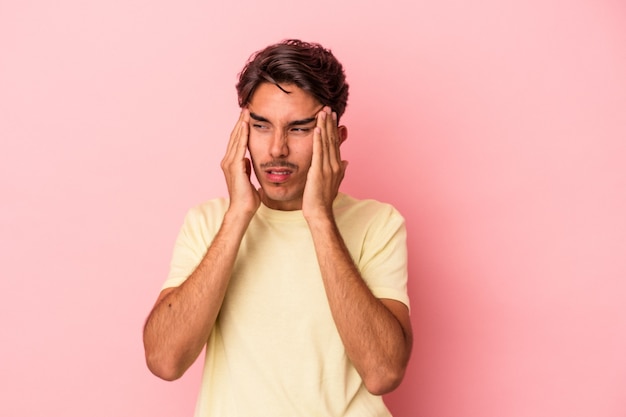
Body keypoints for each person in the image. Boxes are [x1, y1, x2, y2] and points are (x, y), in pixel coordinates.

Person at [143, 39, 413, 416]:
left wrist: (318, 216)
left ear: (335, 138)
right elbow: (164, 361)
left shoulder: (378, 224)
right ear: (242, 131)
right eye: (261, 126)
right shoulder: (207, 223)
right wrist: (239, 214)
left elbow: (383, 372)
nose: (276, 150)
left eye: (299, 129)